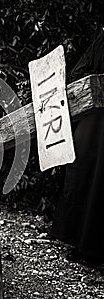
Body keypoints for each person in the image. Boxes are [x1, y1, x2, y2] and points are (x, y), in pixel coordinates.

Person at [51, 30, 104, 270]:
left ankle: (95, 251)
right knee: (83, 175)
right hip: (94, 121)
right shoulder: (101, 41)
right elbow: (79, 73)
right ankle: (77, 242)